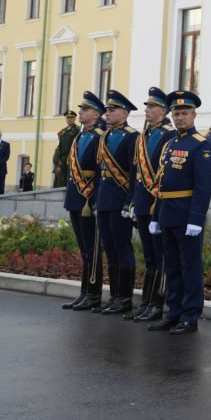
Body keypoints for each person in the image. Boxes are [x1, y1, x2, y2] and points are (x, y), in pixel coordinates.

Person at [147, 90, 211, 336]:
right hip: (167, 213)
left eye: (185, 113)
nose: (180, 117)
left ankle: (190, 315)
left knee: (190, 267)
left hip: (187, 216)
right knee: (172, 267)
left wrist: (196, 219)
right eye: (176, 113)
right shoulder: (169, 143)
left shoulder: (201, 145)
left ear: (194, 115)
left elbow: (203, 186)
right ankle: (173, 312)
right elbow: (161, 183)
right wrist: (156, 217)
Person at [93, 90, 140, 316]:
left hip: (120, 200)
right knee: (109, 250)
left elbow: (134, 173)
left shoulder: (132, 136)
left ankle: (125, 297)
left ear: (124, 112)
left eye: (112, 110)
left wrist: (129, 202)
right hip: (104, 200)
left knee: (123, 249)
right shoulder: (106, 136)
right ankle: (114, 296)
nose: (107, 113)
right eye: (107, 110)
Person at [129, 87, 174, 322]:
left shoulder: (167, 134)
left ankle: (158, 302)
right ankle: (146, 302)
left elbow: (165, 172)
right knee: (148, 255)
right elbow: (135, 170)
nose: (147, 110)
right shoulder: (144, 134)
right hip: (143, 200)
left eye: (152, 106)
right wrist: (133, 202)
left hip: (157, 201)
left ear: (163, 110)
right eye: (146, 106)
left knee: (160, 254)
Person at [61, 93, 107, 311]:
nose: (80, 113)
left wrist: (96, 198)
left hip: (88, 198)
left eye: (84, 110)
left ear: (96, 114)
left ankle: (93, 293)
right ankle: (84, 293)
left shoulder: (100, 136)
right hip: (75, 196)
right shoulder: (81, 136)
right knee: (84, 250)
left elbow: (100, 171)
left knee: (92, 248)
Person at [53, 110, 80, 187]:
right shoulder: (63, 131)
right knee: (60, 181)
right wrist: (58, 162)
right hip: (62, 160)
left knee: (70, 180)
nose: (69, 119)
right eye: (67, 117)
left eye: (71, 117)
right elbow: (60, 147)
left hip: (72, 159)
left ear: (75, 119)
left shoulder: (77, 130)